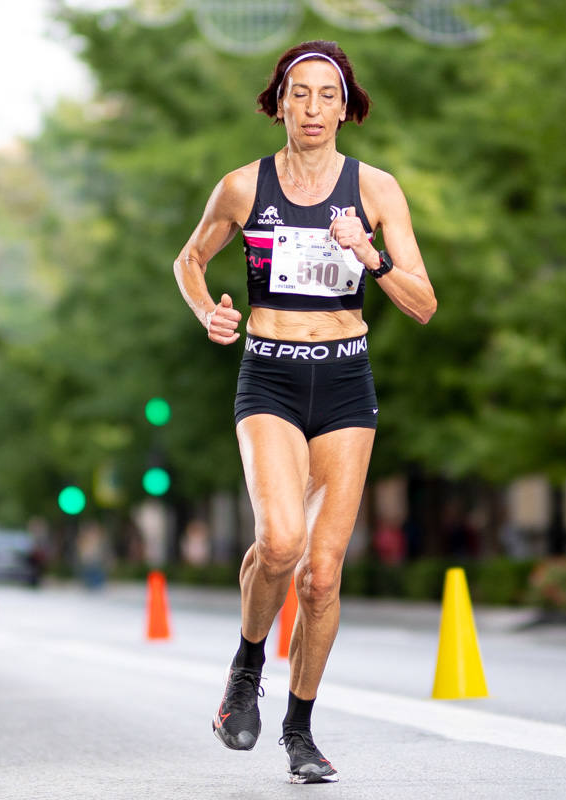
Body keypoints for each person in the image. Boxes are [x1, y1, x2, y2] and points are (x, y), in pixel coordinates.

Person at [173, 40, 436, 783]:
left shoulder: (377, 190)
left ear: (346, 107)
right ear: (279, 103)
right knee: (280, 543)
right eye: (300, 93)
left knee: (322, 576)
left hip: (347, 380)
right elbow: (188, 259)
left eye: (329, 95)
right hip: (271, 376)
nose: (314, 107)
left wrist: (370, 254)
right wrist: (206, 313)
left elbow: (423, 304)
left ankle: (299, 730)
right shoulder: (242, 187)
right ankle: (246, 666)